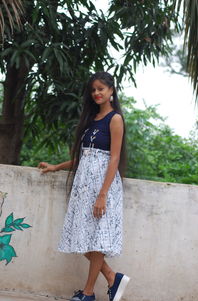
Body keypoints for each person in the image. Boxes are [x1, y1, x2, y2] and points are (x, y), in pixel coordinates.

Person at [38, 71, 130, 301]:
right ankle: (111, 277)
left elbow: (114, 158)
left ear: (111, 91)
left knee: (95, 240)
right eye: (93, 89)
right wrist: (56, 167)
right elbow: (84, 157)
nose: (97, 93)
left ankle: (88, 293)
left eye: (101, 88)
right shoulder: (91, 120)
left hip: (102, 188)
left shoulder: (115, 119)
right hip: (83, 188)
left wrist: (102, 195)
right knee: (81, 237)